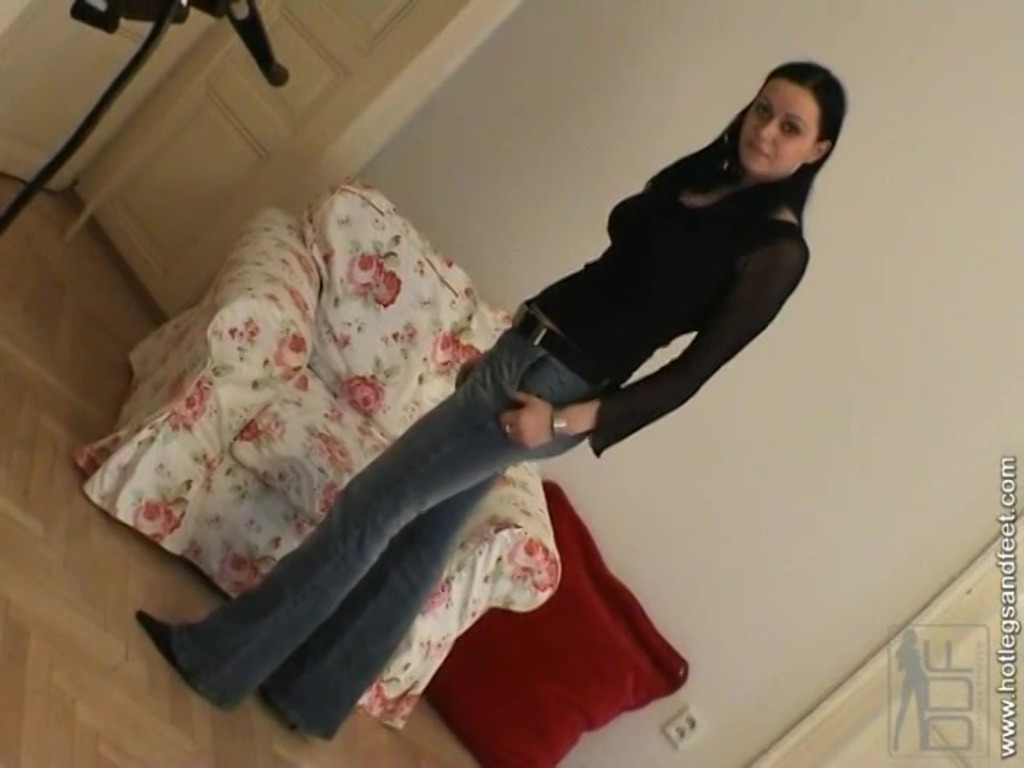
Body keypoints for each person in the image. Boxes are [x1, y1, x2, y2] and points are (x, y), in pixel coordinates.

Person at [135, 59, 847, 739]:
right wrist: (509, 347)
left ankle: (218, 661)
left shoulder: (776, 251)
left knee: (371, 508)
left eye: (790, 127)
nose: (766, 131)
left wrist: (560, 420)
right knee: (424, 535)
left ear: (817, 150)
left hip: (555, 388)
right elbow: (612, 277)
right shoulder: (707, 180)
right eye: (763, 110)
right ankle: (312, 694)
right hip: (525, 351)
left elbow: (689, 376)